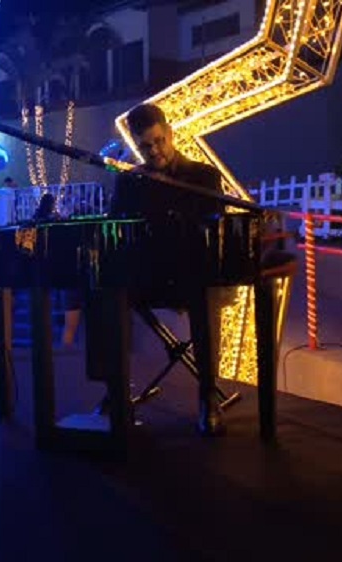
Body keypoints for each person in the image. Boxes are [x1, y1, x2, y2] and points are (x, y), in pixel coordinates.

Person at [110, 103, 226, 435]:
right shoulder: (130, 181)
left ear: (170, 134)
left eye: (159, 141)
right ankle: (115, 391)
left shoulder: (204, 176)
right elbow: (115, 225)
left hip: (192, 273)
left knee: (205, 292)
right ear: (136, 145)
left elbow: (214, 222)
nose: (155, 151)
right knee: (105, 293)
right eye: (145, 146)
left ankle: (207, 396)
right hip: (148, 274)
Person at [33, 194, 82, 345]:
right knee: (70, 298)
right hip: (60, 265)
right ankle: (66, 342)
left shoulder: (37, 220)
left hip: (45, 265)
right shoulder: (53, 222)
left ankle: (57, 342)